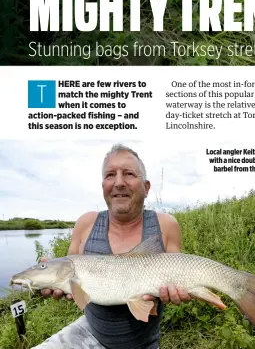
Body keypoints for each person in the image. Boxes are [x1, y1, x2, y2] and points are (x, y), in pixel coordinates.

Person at [34, 144, 191, 349]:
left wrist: (174, 291)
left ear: (146, 187)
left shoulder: (166, 225)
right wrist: (49, 279)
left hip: (143, 343)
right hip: (89, 332)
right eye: (110, 175)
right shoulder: (85, 225)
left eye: (129, 174)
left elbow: (176, 279)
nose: (118, 182)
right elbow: (73, 285)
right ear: (103, 187)